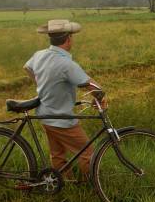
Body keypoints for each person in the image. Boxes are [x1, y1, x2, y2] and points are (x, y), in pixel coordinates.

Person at [24, 19, 105, 181]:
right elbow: (91, 85)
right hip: (61, 118)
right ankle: (93, 188)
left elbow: (27, 67)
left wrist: (41, 84)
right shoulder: (66, 64)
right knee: (88, 153)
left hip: (45, 116)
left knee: (57, 154)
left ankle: (63, 184)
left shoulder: (39, 55)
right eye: (72, 37)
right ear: (68, 39)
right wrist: (101, 96)